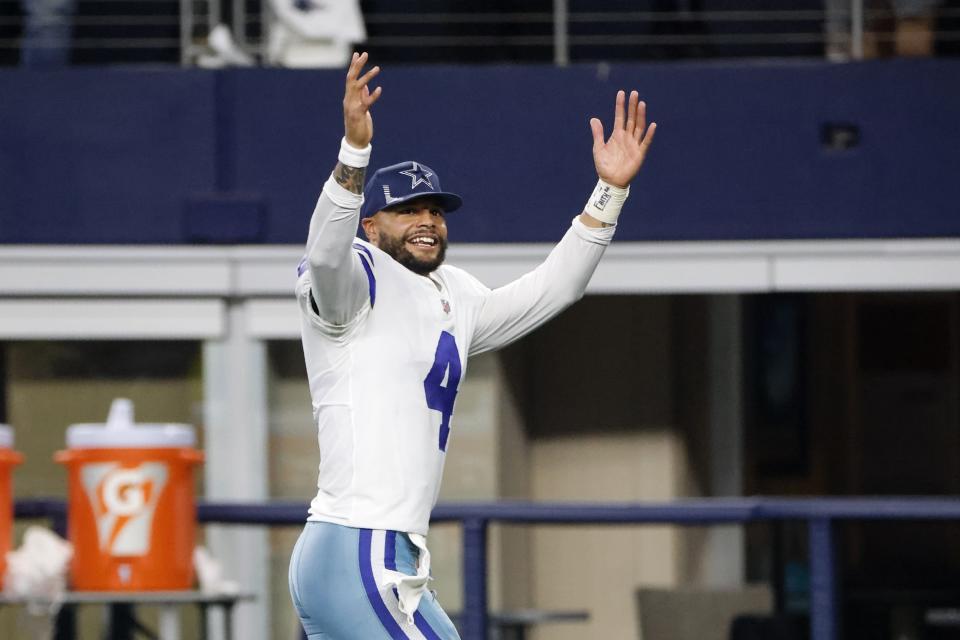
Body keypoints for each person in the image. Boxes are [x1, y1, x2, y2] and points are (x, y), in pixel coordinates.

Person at [288, 51, 656, 640]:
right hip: (357, 546)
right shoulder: (355, 279)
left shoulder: (450, 293)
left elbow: (553, 290)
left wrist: (608, 194)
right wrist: (353, 153)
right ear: (371, 225)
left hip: (388, 553)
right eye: (406, 210)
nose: (426, 220)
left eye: (434, 209)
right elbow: (327, 252)